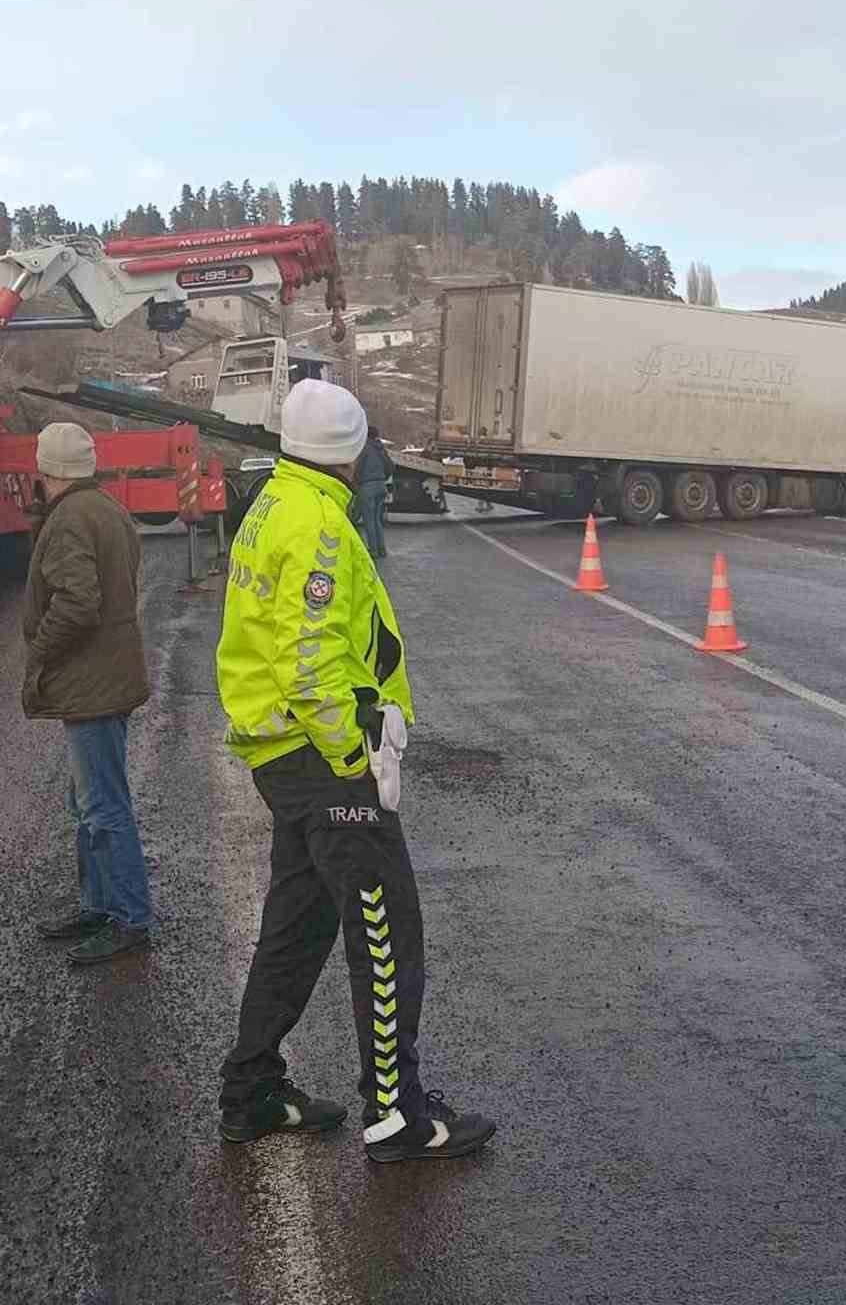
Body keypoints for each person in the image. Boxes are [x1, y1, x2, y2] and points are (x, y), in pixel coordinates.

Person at [215, 380, 494, 1161]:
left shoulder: (275, 502)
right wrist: (356, 763)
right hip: (320, 759)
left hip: (283, 755)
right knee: (384, 930)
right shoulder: (319, 527)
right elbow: (310, 665)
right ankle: (396, 1113)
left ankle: (252, 1091)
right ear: (353, 449)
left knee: (299, 926)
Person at [22, 423, 154, 963]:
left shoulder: (71, 517)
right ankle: (99, 903)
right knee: (87, 802)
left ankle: (129, 916)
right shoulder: (106, 507)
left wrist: (41, 650)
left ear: (46, 468)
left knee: (103, 804)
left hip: (91, 681)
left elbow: (78, 602)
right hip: (107, 675)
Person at [355, 423, 392, 559]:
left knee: (369, 520)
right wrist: (383, 478)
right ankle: (382, 549)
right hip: (381, 486)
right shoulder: (381, 449)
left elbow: (358, 467)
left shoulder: (364, 448)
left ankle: (373, 550)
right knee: (377, 519)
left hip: (367, 486)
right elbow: (390, 466)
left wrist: (357, 480)